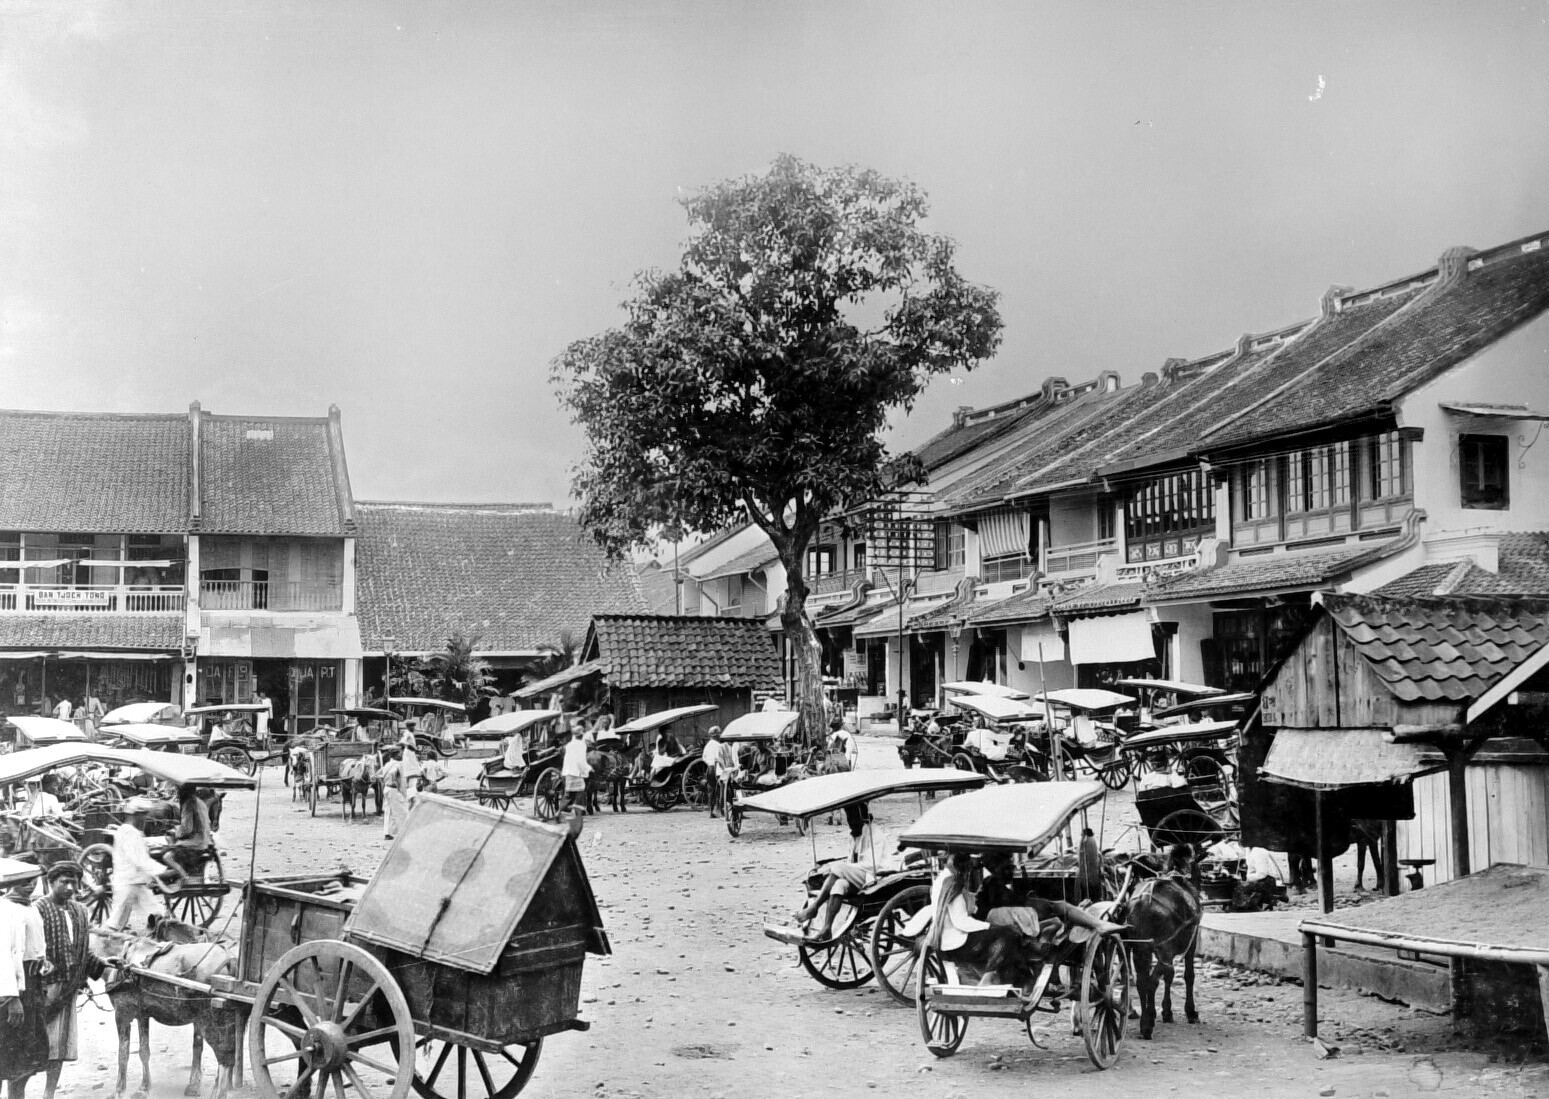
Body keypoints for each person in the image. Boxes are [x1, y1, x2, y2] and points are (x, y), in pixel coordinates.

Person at [796, 806, 921, 940]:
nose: (850, 822)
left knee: (838, 868)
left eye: (854, 817)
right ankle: (827, 928)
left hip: (876, 878)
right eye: (849, 818)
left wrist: (844, 868)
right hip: (859, 877)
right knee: (839, 884)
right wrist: (843, 868)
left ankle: (814, 907)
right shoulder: (854, 835)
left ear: (862, 817)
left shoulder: (875, 834)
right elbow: (852, 861)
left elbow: (871, 864)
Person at [32, 863, 103, 1099]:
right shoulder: (38, 909)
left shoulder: (80, 911)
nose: (71, 887)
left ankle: (49, 1093)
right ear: (50, 882)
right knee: (34, 1040)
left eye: (74, 882)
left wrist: (103, 964)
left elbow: (82, 949)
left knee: (60, 1045)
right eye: (64, 882)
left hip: (69, 987)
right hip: (43, 987)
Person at [4, 871, 48, 1095]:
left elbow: (34, 946)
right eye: (23, 881)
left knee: (26, 1056)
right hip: (12, 989)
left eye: (33, 880)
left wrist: (43, 962)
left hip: (32, 985)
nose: (30, 885)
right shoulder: (5, 909)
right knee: (5, 1055)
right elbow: (3, 956)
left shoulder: (32, 908)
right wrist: (12, 998)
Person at [108, 798, 169, 932]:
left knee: (157, 914)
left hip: (137, 882)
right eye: (144, 815)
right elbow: (139, 860)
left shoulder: (126, 831)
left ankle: (153, 935)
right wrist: (162, 870)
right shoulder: (130, 833)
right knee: (115, 922)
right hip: (128, 883)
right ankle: (102, 941)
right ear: (137, 815)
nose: (145, 819)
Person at [158, 786, 212, 889]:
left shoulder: (188, 803)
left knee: (167, 856)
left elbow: (187, 828)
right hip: (203, 841)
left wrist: (175, 833)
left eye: (178, 790)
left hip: (195, 843)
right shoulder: (200, 802)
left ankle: (184, 877)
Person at [561, 723, 591, 814]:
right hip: (576, 772)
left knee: (569, 793)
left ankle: (561, 811)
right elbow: (581, 761)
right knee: (580, 792)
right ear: (582, 735)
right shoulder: (582, 745)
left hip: (567, 771)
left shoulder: (569, 744)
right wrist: (588, 769)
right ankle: (580, 812)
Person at [379, 747, 408, 840]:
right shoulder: (398, 765)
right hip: (393, 790)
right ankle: (403, 833)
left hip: (386, 788)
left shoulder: (388, 764)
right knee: (402, 812)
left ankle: (387, 833)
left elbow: (380, 774)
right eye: (400, 754)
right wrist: (403, 792)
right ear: (396, 755)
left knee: (388, 811)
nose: (401, 755)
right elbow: (396, 776)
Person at [699, 727, 726, 818]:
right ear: (717, 735)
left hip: (709, 768)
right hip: (717, 769)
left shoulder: (708, 745)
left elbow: (704, 758)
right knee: (720, 790)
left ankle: (711, 811)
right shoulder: (718, 745)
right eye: (719, 734)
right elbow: (719, 758)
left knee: (711, 790)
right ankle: (721, 811)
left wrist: (709, 763)